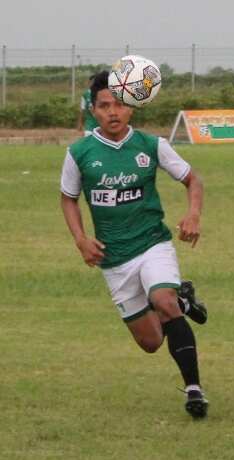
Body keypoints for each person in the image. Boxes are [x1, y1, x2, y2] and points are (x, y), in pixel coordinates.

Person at [61, 71, 209, 419]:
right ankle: (184, 301)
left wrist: (193, 215)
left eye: (120, 104)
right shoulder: (79, 152)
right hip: (113, 259)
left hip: (152, 244)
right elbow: (68, 198)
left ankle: (194, 390)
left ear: (132, 107)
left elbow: (192, 179)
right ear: (93, 110)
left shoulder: (151, 145)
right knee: (151, 342)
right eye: (104, 106)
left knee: (162, 300)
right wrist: (81, 239)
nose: (113, 112)